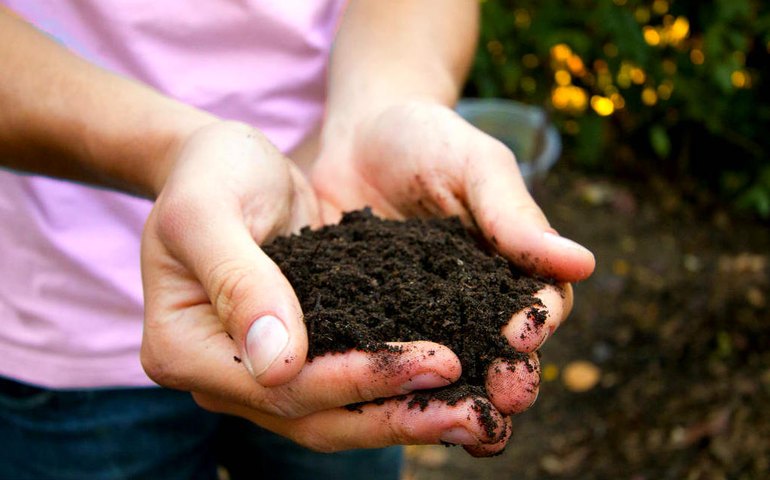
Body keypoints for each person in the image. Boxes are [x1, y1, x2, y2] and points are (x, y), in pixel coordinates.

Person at [0, 1, 595, 479]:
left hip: (325, 274)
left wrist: (380, 108)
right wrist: (173, 151)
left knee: (387, 403)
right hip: (66, 320)